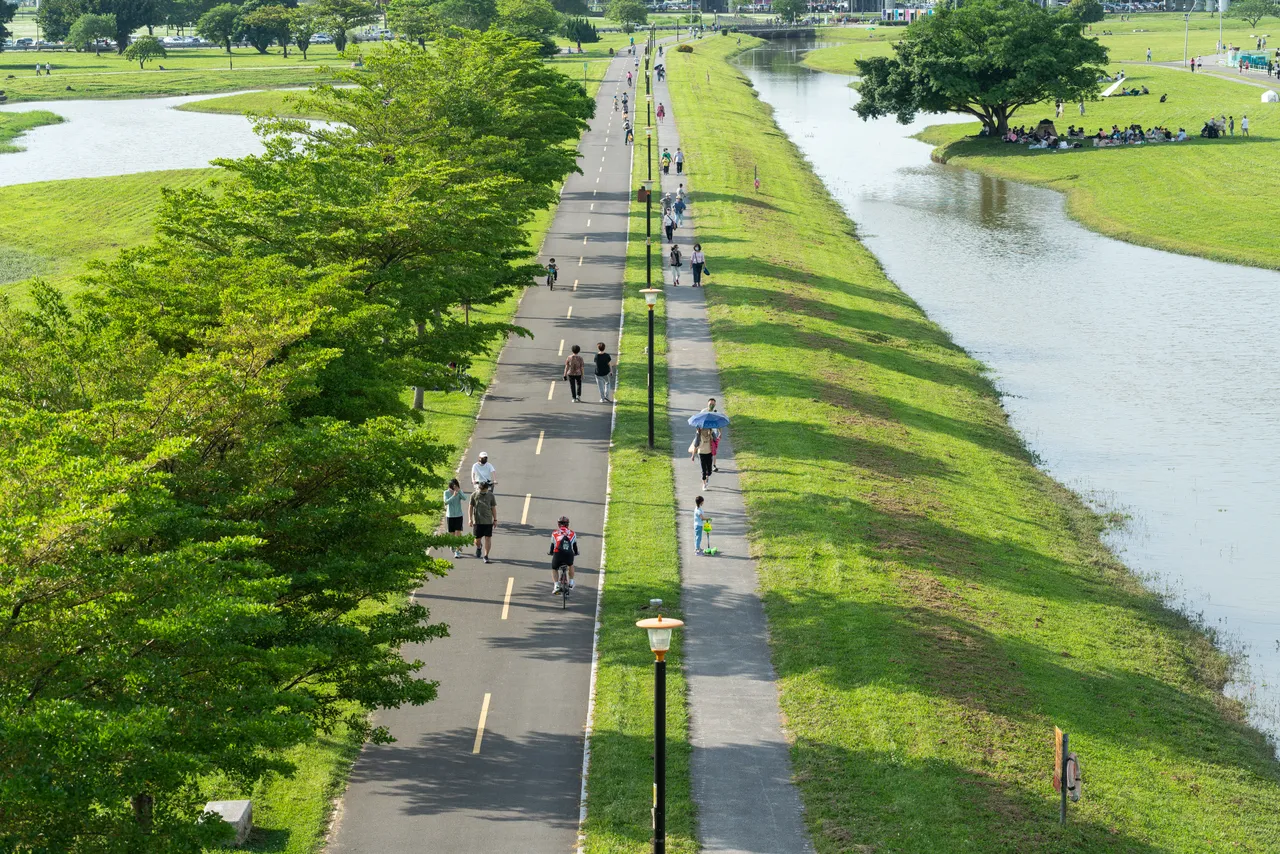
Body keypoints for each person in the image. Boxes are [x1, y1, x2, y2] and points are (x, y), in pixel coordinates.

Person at [468, 481, 498, 563]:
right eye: (481, 491)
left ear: (487, 489)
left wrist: (495, 519)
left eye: (484, 491)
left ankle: (486, 555)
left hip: (488, 521)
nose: (483, 492)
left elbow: (493, 508)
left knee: (488, 538)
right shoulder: (474, 495)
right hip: (477, 521)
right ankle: (479, 547)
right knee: (477, 540)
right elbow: (470, 507)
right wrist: (470, 519)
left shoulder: (491, 495)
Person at [548, 516, 579, 593]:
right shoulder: (572, 533)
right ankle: (571, 582)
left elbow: (552, 546)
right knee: (571, 565)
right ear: (567, 524)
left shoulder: (554, 533)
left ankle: (556, 585)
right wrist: (576, 552)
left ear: (558, 524)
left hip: (558, 553)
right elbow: (575, 546)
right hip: (568, 554)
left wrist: (551, 552)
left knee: (554, 568)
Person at [443, 479, 466, 558]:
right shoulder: (446, 492)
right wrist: (453, 496)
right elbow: (446, 502)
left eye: (456, 486)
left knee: (457, 533)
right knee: (452, 534)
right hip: (450, 516)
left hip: (459, 515)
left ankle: (457, 551)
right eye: (453, 487)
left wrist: (459, 491)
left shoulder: (459, 492)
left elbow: (465, 498)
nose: (454, 488)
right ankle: (452, 545)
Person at [690, 424, 715, 490]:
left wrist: (711, 434)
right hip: (701, 453)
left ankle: (706, 477)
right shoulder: (699, 433)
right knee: (703, 470)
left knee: (709, 471)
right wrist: (693, 455)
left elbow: (715, 440)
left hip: (709, 453)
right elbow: (696, 445)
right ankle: (704, 484)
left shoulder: (710, 431)